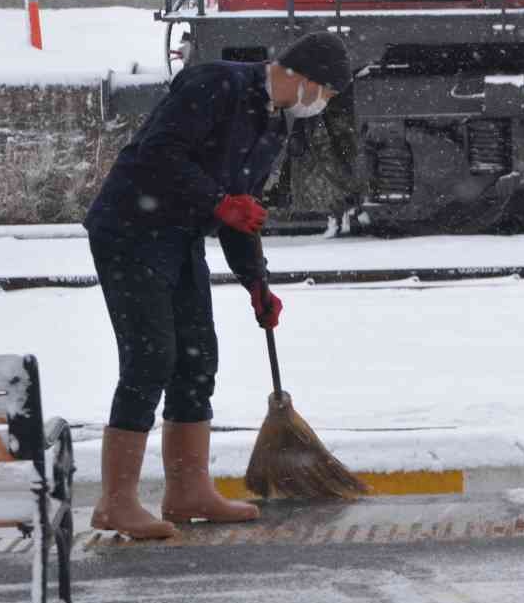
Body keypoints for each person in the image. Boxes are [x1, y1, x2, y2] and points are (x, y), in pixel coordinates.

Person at [84, 31, 352, 540]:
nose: (323, 104)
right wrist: (216, 201)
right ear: (299, 75)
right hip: (129, 230)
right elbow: (159, 154)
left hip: (180, 236)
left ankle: (187, 491)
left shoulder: (273, 128)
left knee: (196, 357)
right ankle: (115, 503)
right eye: (326, 93)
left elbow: (241, 212)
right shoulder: (216, 84)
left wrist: (257, 284)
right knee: (149, 359)